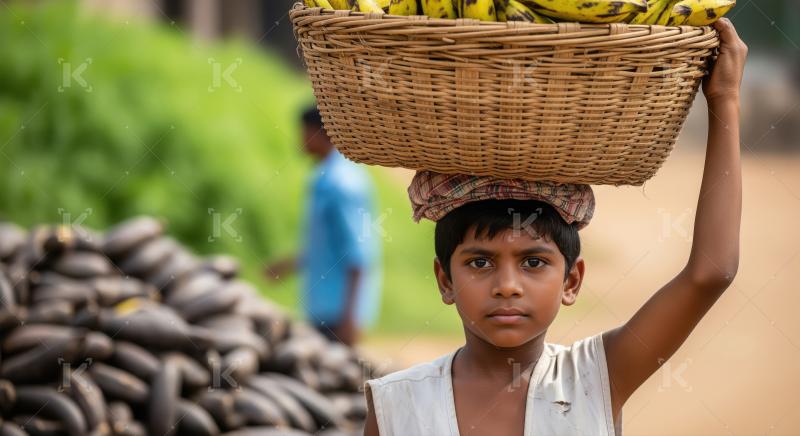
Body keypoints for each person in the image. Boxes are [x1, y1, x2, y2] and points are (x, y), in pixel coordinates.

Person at [362, 18, 747, 436]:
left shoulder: (598, 377)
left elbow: (712, 272)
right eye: (479, 263)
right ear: (444, 279)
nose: (506, 286)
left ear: (572, 279)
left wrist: (724, 98)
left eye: (532, 261)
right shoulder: (395, 403)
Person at [266, 106, 382, 346]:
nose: (299, 140)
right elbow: (328, 245)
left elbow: (359, 254)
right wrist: (290, 265)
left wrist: (351, 317)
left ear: (320, 133)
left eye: (303, 131)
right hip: (322, 308)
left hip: (337, 313)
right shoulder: (324, 178)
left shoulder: (342, 184)